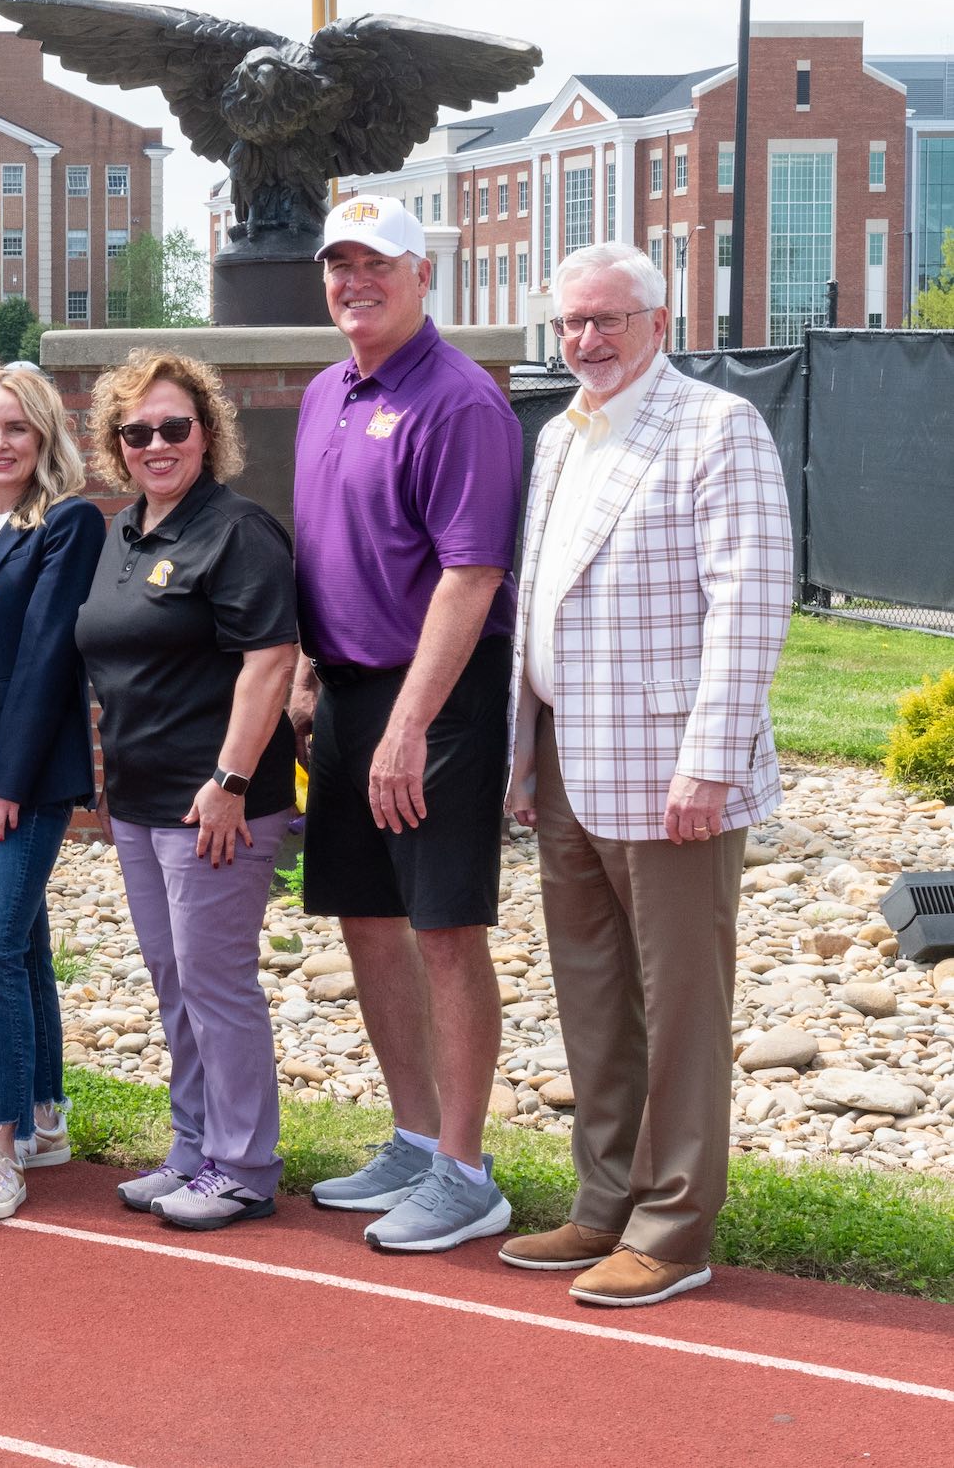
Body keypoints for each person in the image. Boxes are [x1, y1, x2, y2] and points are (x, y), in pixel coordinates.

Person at [496, 242, 790, 1307]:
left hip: (672, 775)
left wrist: (709, 761)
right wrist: (523, 757)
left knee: (679, 1006)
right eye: (571, 323)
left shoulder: (717, 428)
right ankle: (603, 1201)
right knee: (591, 996)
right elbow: (537, 608)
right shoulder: (561, 439)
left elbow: (749, 603)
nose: (586, 340)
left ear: (658, 322)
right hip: (572, 763)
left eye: (607, 320)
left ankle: (672, 1228)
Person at [291, 194, 524, 1253]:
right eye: (339, 265)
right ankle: (414, 1136)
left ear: (421, 273)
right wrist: (306, 672)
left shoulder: (460, 401)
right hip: (343, 694)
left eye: (376, 264)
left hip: (435, 700)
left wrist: (408, 725)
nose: (354, 282)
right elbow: (325, 552)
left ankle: (467, 1170)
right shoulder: (324, 392)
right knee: (368, 922)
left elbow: (471, 576)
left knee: (442, 929)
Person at [75, 351, 303, 1231]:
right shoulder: (120, 531)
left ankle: (244, 1165)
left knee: (216, 981)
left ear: (208, 432)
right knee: (174, 981)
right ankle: (193, 1145)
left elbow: (270, 660)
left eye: (176, 426)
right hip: (137, 799)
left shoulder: (237, 531)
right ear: (117, 443)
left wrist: (230, 780)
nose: (157, 444)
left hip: (215, 800)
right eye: (139, 431)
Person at [0, 367, 102, 1222]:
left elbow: (45, 659)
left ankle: (1, 1147)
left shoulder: (66, 521)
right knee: (24, 943)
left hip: (20, 778)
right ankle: (44, 1118)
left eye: (16, 429)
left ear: (45, 438)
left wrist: (8, 780)